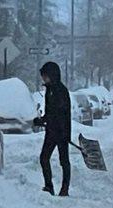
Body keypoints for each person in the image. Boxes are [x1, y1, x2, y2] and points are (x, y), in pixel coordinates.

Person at [34, 62, 71, 196]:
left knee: (64, 160)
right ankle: (49, 186)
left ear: (52, 75)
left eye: (45, 76)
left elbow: (60, 112)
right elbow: (50, 112)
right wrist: (42, 119)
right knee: (44, 158)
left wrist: (62, 130)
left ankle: (65, 188)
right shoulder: (49, 90)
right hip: (51, 131)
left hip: (61, 132)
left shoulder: (61, 91)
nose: (43, 79)